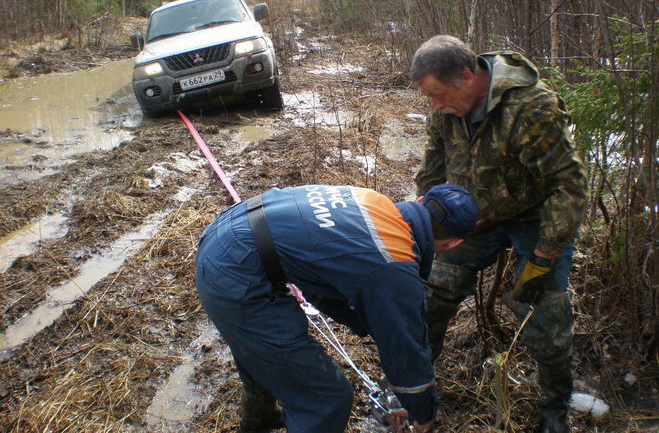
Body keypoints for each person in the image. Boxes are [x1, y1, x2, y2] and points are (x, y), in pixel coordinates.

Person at [195, 183, 479, 433]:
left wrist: (366, 321)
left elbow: (319, 276)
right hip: (235, 270)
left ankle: (258, 420)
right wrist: (422, 412)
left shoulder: (375, 202)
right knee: (326, 398)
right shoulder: (396, 264)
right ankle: (277, 416)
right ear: (454, 242)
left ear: (419, 201)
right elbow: (407, 354)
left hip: (227, 229)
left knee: (266, 353)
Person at [411, 35, 589, 433]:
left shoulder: (530, 105)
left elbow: (570, 185)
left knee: (544, 315)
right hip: (471, 216)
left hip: (537, 217)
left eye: (439, 95)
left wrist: (543, 257)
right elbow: (434, 165)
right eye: (431, 98)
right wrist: (424, 220)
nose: (435, 106)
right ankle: (413, 385)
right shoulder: (445, 108)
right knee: (431, 294)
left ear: (467, 76)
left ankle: (555, 409)